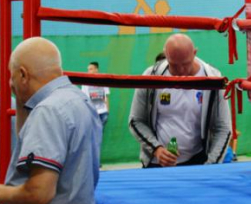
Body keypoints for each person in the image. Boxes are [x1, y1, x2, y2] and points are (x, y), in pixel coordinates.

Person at [0, 37, 100, 204]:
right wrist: (20, 100)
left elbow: (39, 194)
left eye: (12, 76)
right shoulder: (79, 100)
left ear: (23, 74)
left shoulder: (48, 111)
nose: (10, 84)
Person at [129, 34, 231, 167]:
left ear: (194, 53)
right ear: (166, 55)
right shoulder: (151, 76)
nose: (181, 71)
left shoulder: (213, 79)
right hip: (156, 163)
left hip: (197, 161)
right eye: (174, 65)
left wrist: (211, 166)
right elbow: (135, 120)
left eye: (185, 64)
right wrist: (156, 149)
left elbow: (223, 128)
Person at [81, 62, 110, 128]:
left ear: (96, 69)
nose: (88, 71)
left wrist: (107, 110)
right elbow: (84, 98)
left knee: (99, 132)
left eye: (91, 69)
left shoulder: (103, 81)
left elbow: (106, 96)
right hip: (91, 112)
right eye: (88, 69)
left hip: (103, 112)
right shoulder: (85, 82)